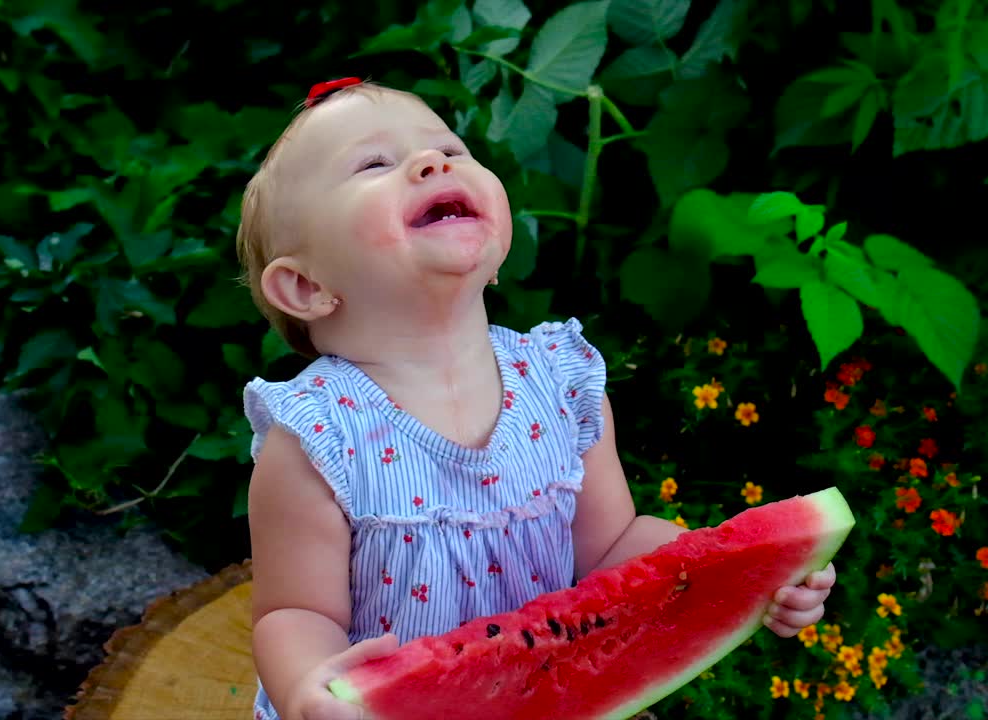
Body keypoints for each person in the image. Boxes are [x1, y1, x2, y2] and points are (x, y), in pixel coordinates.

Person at [237, 78, 836, 720]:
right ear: (305, 286)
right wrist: (308, 688)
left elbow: (612, 547)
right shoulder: (317, 439)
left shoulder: (558, 381)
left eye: (451, 149)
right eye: (374, 164)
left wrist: (735, 567)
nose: (432, 162)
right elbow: (295, 612)